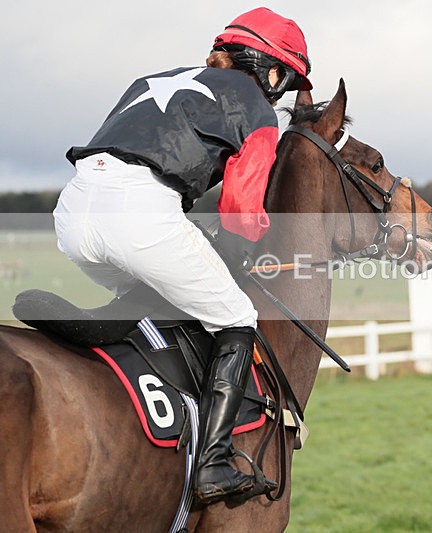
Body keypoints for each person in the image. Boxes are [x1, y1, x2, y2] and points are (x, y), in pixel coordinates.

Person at [52, 7, 312, 504]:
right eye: (283, 80)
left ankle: (114, 345)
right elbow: (239, 210)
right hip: (141, 215)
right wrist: (259, 239)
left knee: (158, 295)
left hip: (73, 212)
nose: (277, 93)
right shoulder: (254, 108)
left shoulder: (153, 78)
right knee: (237, 317)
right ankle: (212, 464)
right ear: (270, 70)